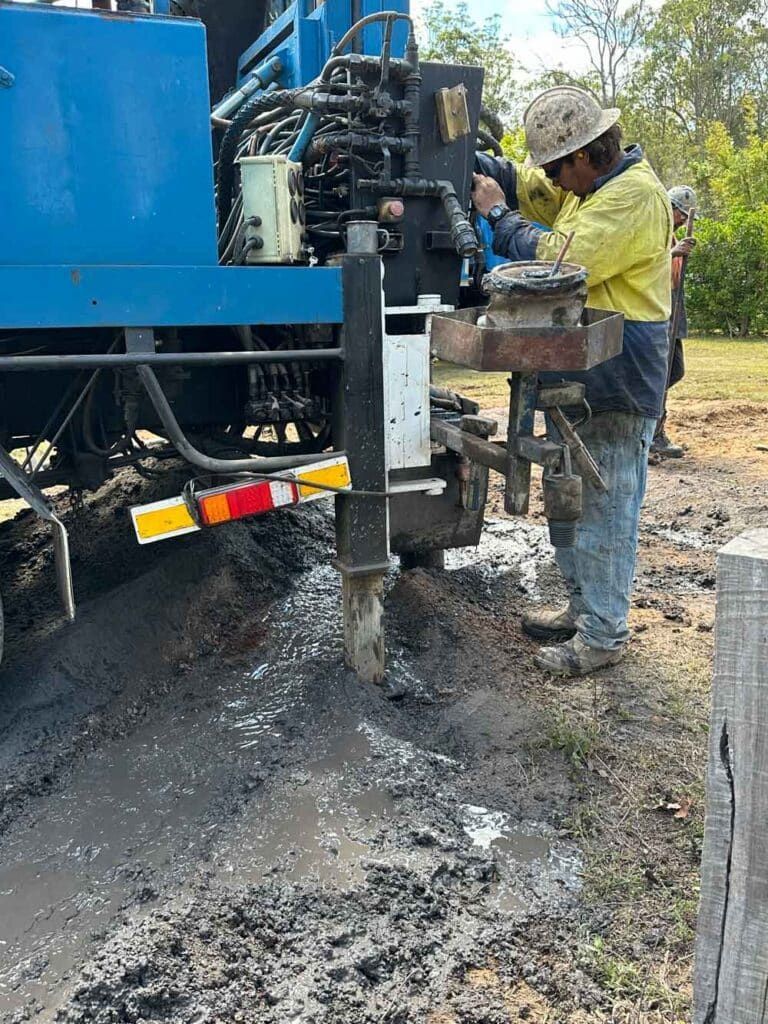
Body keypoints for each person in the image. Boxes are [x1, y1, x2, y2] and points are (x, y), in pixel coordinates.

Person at [471, 86, 673, 677]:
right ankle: (584, 608)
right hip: (581, 365)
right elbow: (528, 186)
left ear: (587, 155)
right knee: (570, 497)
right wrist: (475, 163)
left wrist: (497, 217)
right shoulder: (588, 189)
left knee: (606, 504)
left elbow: (560, 259)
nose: (554, 182)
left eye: (559, 167)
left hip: (619, 367)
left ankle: (605, 635)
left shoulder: (634, 196)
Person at [651, 185, 697, 458]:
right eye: (680, 213)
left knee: (673, 370)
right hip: (658, 309)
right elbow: (645, 266)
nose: (681, 220)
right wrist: (674, 252)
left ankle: (653, 427)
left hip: (672, 309)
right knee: (659, 373)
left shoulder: (670, 236)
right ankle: (652, 433)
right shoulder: (656, 233)